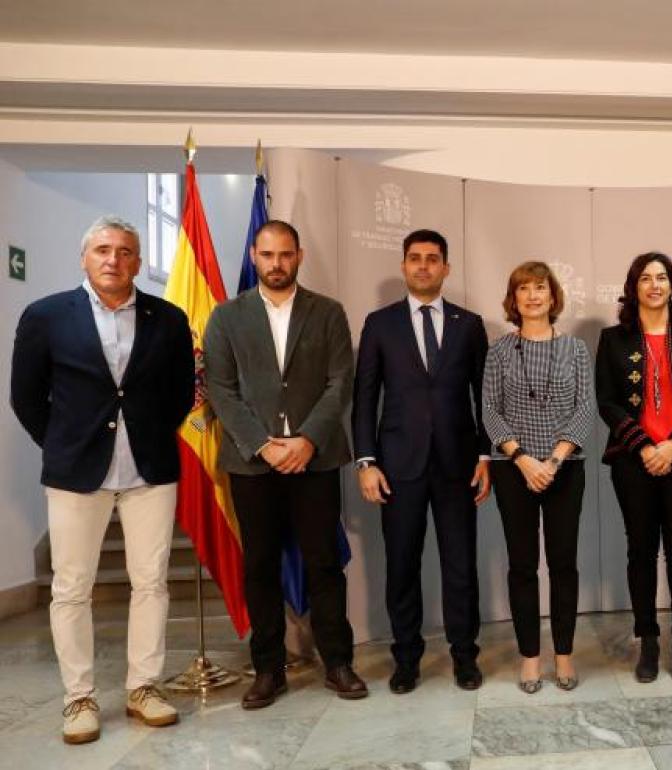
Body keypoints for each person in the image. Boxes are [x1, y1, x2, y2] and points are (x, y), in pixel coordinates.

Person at [10, 216, 193, 744]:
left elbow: (180, 392)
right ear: (85, 257)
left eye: (126, 251)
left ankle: (144, 688)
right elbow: (26, 396)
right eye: (104, 250)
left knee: (151, 582)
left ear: (138, 261)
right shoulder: (45, 316)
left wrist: (152, 433)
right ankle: (79, 698)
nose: (114, 259)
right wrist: (64, 444)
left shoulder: (169, 318)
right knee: (71, 587)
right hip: (75, 474)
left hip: (150, 470)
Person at [204, 219, 366, 708]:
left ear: (299, 255)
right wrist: (265, 444)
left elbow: (341, 382)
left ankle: (337, 662)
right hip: (252, 464)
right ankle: (268, 669)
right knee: (259, 567)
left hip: (314, 461)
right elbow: (221, 389)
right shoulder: (226, 317)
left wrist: (306, 440)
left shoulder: (328, 312)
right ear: (254, 255)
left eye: (286, 255)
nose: (277, 264)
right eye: (268, 255)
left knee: (323, 563)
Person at [351, 228, 491, 694]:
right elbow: (365, 396)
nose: (424, 266)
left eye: (433, 259)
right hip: (397, 467)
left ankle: (465, 657)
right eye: (415, 258)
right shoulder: (380, 323)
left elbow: (484, 396)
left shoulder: (468, 325)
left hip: (457, 465)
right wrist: (366, 461)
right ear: (404, 266)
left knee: (460, 565)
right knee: (402, 566)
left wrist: (484, 455)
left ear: (446, 268)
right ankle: (406, 659)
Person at [596, 252, 672, 683]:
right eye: (645, 278)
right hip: (632, 460)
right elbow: (606, 401)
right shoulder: (613, 338)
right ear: (634, 287)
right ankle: (647, 641)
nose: (654, 285)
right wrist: (646, 446)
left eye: (662, 277)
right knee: (640, 552)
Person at [482, 261, 595, 693]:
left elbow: (585, 408)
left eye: (540, 288)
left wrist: (554, 460)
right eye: (523, 288)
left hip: (565, 470)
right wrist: (524, 460)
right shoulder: (498, 351)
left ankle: (563, 655)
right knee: (522, 566)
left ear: (553, 296)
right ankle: (530, 658)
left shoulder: (576, 350)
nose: (532, 296)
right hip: (515, 471)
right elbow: (490, 410)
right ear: (514, 299)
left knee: (564, 565)